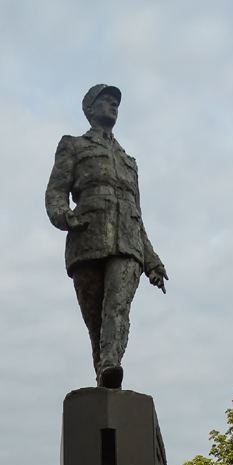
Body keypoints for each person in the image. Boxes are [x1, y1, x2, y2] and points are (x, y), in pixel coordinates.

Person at [45, 84, 168, 389]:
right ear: (90, 108)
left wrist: (152, 260)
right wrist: (64, 216)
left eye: (116, 102)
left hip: (128, 245)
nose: (113, 104)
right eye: (106, 100)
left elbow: (138, 215)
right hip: (87, 239)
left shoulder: (129, 162)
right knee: (96, 321)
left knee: (117, 307)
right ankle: (104, 374)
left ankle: (112, 363)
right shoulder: (72, 145)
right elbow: (56, 191)